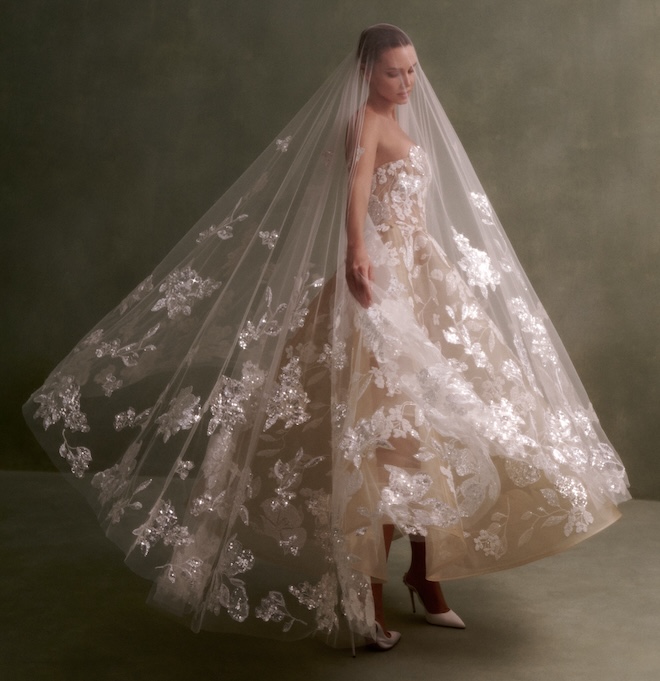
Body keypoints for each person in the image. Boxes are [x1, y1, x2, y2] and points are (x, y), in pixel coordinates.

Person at [24, 24, 630, 652]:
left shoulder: (399, 120)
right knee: (386, 445)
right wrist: (359, 253)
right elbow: (357, 184)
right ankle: (366, 600)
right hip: (383, 283)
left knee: (438, 431)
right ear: (367, 73)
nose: (407, 82)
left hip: (425, 283)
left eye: (413, 70)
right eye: (394, 72)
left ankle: (426, 575)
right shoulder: (365, 121)